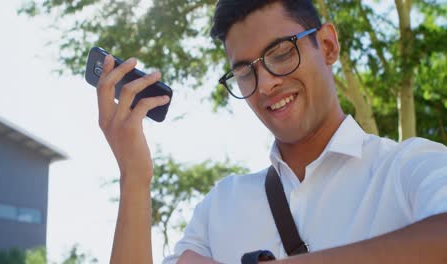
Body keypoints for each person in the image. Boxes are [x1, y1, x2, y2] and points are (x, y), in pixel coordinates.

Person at [96, 0, 447, 263]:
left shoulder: (408, 166)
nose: (265, 84)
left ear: (327, 46)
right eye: (246, 73)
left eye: (281, 53)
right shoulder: (221, 205)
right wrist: (134, 176)